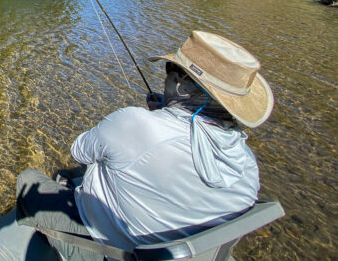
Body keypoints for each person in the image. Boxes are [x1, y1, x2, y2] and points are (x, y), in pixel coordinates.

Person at [16, 30, 275, 260]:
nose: (165, 77)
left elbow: (79, 150)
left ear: (182, 86)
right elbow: (192, 138)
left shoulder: (133, 124)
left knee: (29, 179)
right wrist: (167, 109)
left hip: (113, 251)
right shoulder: (248, 164)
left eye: (170, 71)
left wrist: (148, 120)